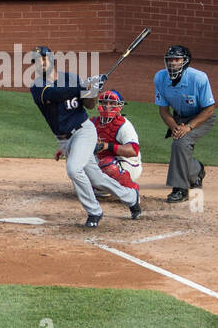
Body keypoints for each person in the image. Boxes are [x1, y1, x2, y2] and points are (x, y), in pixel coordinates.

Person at [29, 48, 142, 228]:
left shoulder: (72, 79)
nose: (41, 64)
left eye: (44, 59)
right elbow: (57, 95)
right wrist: (84, 85)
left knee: (74, 169)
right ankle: (131, 197)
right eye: (37, 61)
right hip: (64, 139)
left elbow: (89, 105)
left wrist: (95, 89)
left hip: (84, 131)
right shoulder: (37, 87)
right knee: (96, 178)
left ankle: (94, 212)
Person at [154, 45, 215, 202]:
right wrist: (175, 127)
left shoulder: (199, 78)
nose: (173, 63)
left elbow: (209, 109)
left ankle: (180, 189)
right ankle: (196, 171)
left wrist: (188, 127)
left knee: (180, 143)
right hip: (179, 118)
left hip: (202, 117)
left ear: (185, 61)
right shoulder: (160, 78)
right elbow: (163, 111)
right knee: (179, 141)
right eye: (170, 60)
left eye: (177, 60)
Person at [87, 90, 143, 197]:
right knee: (78, 160)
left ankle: (131, 190)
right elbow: (78, 137)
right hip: (104, 160)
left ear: (119, 107)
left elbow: (133, 150)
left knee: (108, 164)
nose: (107, 106)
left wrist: (107, 146)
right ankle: (102, 188)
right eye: (104, 103)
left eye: (112, 103)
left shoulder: (124, 125)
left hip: (127, 164)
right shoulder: (93, 123)